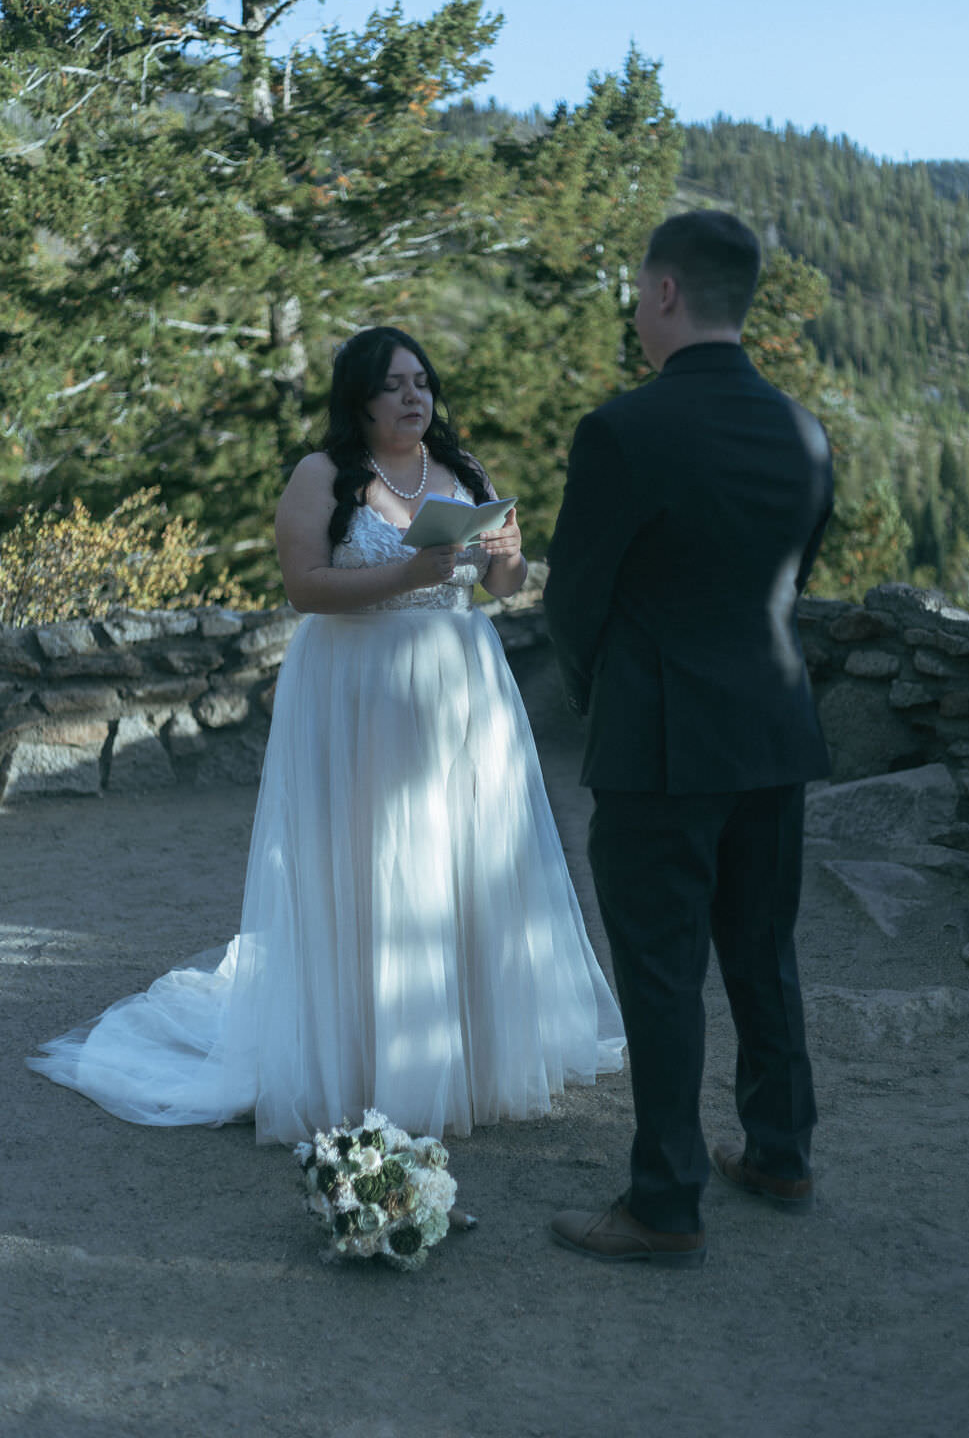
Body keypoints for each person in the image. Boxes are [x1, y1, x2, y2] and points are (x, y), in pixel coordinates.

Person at [28, 326, 624, 1144]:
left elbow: (504, 587)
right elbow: (305, 587)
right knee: (373, 862)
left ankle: (469, 1054)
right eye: (394, 385)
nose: (414, 397)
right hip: (357, 692)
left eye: (422, 381)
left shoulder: (462, 470)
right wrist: (404, 574)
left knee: (464, 858)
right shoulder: (321, 476)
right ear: (359, 399)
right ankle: (366, 1060)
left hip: (462, 689)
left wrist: (507, 556)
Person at [543, 211, 833, 1268]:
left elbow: (573, 602)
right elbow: (793, 577)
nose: (635, 306)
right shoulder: (803, 430)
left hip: (660, 742)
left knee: (661, 971)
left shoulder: (624, 431)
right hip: (774, 727)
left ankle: (665, 1203)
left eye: (636, 288)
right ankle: (781, 1151)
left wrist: (595, 696)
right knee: (763, 954)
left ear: (665, 293)